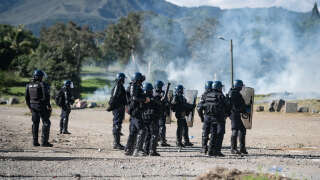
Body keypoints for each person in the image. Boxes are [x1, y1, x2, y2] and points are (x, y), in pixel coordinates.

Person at [124, 72, 150, 156]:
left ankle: (129, 149)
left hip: (134, 112)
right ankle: (138, 150)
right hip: (136, 112)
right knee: (143, 130)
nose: (141, 81)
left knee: (133, 131)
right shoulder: (133, 86)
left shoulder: (134, 86)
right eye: (140, 79)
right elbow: (134, 98)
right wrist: (144, 99)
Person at [25, 70, 53, 147]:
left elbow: (27, 98)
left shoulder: (29, 85)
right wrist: (48, 106)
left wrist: (30, 107)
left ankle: (35, 142)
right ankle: (44, 142)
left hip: (33, 107)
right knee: (46, 123)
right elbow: (46, 97)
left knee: (35, 123)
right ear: (40, 77)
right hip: (41, 106)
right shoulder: (42, 84)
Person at [200, 81, 228, 156]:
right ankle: (216, 151)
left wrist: (202, 117)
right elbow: (227, 105)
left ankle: (208, 150)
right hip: (219, 118)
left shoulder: (206, 95)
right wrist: (226, 115)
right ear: (218, 87)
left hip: (208, 117)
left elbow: (200, 107)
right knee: (219, 134)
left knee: (211, 133)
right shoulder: (221, 96)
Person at [107, 73, 127, 150]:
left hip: (119, 108)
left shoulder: (119, 86)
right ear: (121, 79)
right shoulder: (118, 86)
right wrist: (111, 106)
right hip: (117, 108)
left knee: (118, 124)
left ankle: (116, 143)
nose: (124, 80)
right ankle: (116, 143)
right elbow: (114, 97)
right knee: (117, 124)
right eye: (123, 79)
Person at [229, 80, 248, 155]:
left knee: (242, 130)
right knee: (235, 130)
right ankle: (233, 149)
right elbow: (236, 105)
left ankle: (242, 148)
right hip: (234, 114)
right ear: (238, 86)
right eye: (241, 86)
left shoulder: (234, 92)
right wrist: (243, 109)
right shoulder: (233, 93)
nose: (242, 87)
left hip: (235, 113)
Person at [142, 82, 161, 156]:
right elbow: (157, 105)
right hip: (152, 118)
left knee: (148, 134)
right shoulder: (151, 98)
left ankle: (146, 150)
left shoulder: (143, 98)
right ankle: (152, 150)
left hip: (145, 118)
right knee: (154, 134)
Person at [197, 81, 213, 154]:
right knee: (213, 132)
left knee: (205, 132)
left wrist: (202, 117)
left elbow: (199, 108)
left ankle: (204, 148)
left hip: (206, 116)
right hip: (215, 117)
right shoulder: (216, 94)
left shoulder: (203, 95)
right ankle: (211, 148)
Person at [154, 80, 170, 147]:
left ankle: (157, 140)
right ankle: (162, 141)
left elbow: (166, 102)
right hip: (159, 112)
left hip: (157, 112)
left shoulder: (153, 92)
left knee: (157, 126)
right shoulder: (157, 94)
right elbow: (163, 101)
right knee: (161, 127)